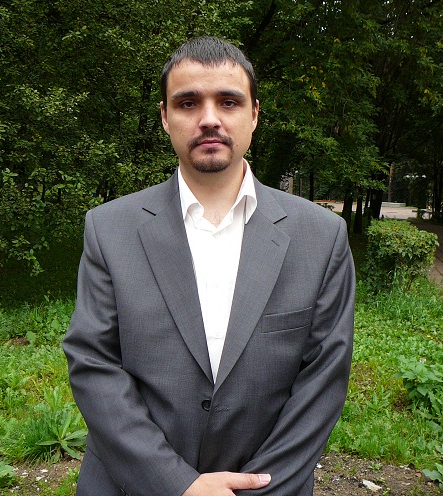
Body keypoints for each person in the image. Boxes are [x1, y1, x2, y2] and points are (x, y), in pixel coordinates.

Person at [63, 36, 355, 496]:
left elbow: (324, 379)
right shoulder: (109, 228)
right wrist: (176, 484)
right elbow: (92, 361)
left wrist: (256, 489)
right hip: (131, 484)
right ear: (165, 116)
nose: (209, 119)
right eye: (188, 103)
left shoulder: (321, 236)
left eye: (228, 101)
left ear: (254, 114)